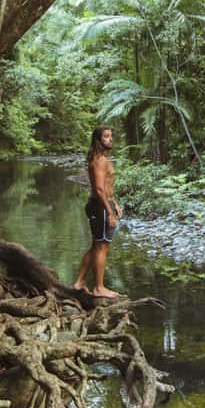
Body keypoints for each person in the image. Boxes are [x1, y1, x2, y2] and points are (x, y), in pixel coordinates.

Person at [72, 126, 123, 298]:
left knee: (96, 245)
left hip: (101, 204)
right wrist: (110, 212)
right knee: (102, 247)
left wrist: (114, 203)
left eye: (111, 136)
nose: (110, 139)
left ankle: (79, 282)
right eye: (106, 136)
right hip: (100, 206)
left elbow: (106, 187)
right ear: (98, 140)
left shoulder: (101, 158)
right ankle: (99, 288)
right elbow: (100, 189)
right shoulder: (100, 160)